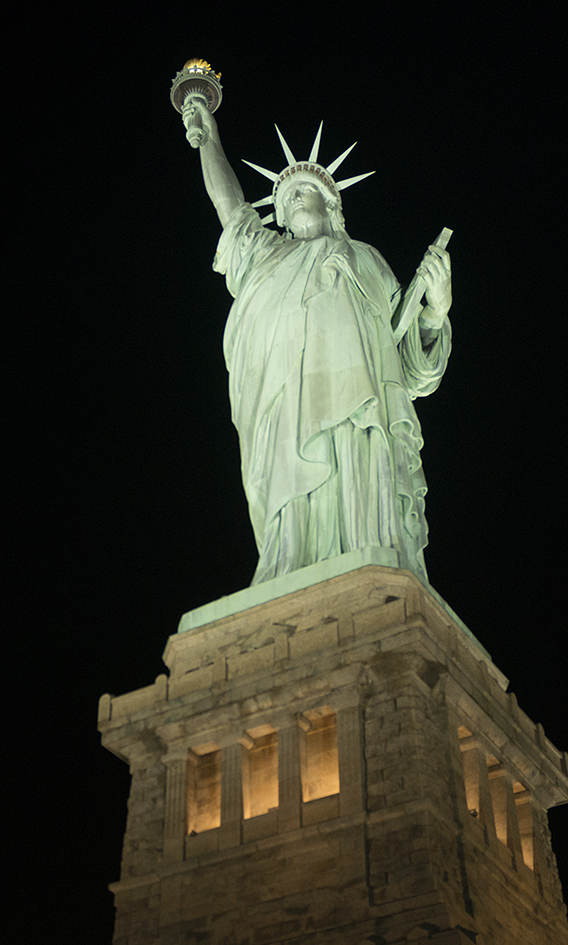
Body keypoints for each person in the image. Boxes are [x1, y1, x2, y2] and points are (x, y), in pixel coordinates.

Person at [183, 98, 454, 585]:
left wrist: (435, 309)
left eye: (301, 192)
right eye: (283, 201)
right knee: (296, 504)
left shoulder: (368, 261)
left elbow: (410, 370)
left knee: (361, 483)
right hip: (288, 406)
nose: (290, 204)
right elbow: (229, 207)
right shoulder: (266, 254)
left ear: (331, 204)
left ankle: (372, 556)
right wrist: (210, 140)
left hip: (361, 412)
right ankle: (292, 564)